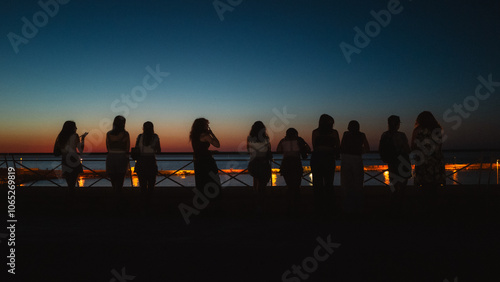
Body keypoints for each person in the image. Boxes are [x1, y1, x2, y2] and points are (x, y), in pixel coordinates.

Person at [411, 111, 445, 210]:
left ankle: (425, 209)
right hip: (436, 162)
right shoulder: (437, 130)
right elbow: (440, 146)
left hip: (423, 162)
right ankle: (434, 209)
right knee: (435, 188)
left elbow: (412, 146)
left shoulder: (417, 130)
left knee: (424, 188)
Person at [379, 115, 411, 211]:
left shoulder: (384, 135)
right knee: (402, 189)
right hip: (403, 163)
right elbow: (407, 150)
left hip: (392, 163)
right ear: (398, 124)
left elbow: (381, 149)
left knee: (393, 187)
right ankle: (400, 208)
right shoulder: (401, 135)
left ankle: (393, 208)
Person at [311, 114, 340, 215]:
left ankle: (319, 207)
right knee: (328, 184)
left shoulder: (315, 132)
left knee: (318, 184)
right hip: (328, 158)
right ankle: (330, 207)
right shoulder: (334, 133)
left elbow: (314, 146)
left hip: (318, 158)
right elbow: (338, 146)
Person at [277, 128, 311, 214]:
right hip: (296, 163)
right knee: (296, 186)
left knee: (290, 185)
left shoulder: (283, 141)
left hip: (286, 164)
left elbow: (278, 151)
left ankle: (289, 206)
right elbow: (308, 150)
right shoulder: (299, 141)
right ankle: (296, 206)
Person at [340, 120, 370, 214]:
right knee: (358, 183)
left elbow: (342, 147)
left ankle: (347, 207)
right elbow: (367, 148)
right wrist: (361, 151)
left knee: (346, 183)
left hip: (345, 159)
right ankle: (358, 206)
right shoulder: (362, 135)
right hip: (357, 158)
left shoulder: (346, 134)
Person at [190, 118, 221, 193]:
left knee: (201, 181)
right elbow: (217, 145)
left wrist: (209, 151)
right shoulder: (205, 135)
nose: (207, 126)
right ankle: (214, 198)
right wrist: (212, 133)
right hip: (207, 161)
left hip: (198, 161)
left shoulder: (193, 136)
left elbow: (200, 148)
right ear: (203, 125)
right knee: (212, 180)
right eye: (206, 124)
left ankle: (202, 199)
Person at [54, 121, 88, 190]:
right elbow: (81, 150)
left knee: (69, 183)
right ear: (71, 128)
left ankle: (70, 197)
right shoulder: (75, 135)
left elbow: (57, 150)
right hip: (73, 160)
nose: (76, 128)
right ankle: (72, 198)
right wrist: (83, 139)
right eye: (75, 126)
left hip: (65, 160)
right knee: (72, 183)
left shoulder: (60, 137)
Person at [247, 121, 272, 211]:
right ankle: (261, 205)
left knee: (256, 185)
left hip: (253, 163)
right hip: (263, 163)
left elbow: (249, 150)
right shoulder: (266, 138)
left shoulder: (250, 138)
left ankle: (256, 205)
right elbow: (269, 151)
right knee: (262, 186)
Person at [134, 121, 161, 196]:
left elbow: (136, 148)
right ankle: (149, 201)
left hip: (141, 162)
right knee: (151, 185)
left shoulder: (140, 137)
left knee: (142, 185)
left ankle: (143, 202)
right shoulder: (155, 137)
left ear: (143, 128)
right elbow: (159, 150)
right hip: (151, 162)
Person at [106, 115, 130, 194]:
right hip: (122, 157)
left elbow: (108, 147)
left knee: (113, 181)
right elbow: (127, 148)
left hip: (111, 157)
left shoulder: (109, 134)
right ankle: (118, 197)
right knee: (120, 179)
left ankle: (114, 196)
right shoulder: (125, 134)